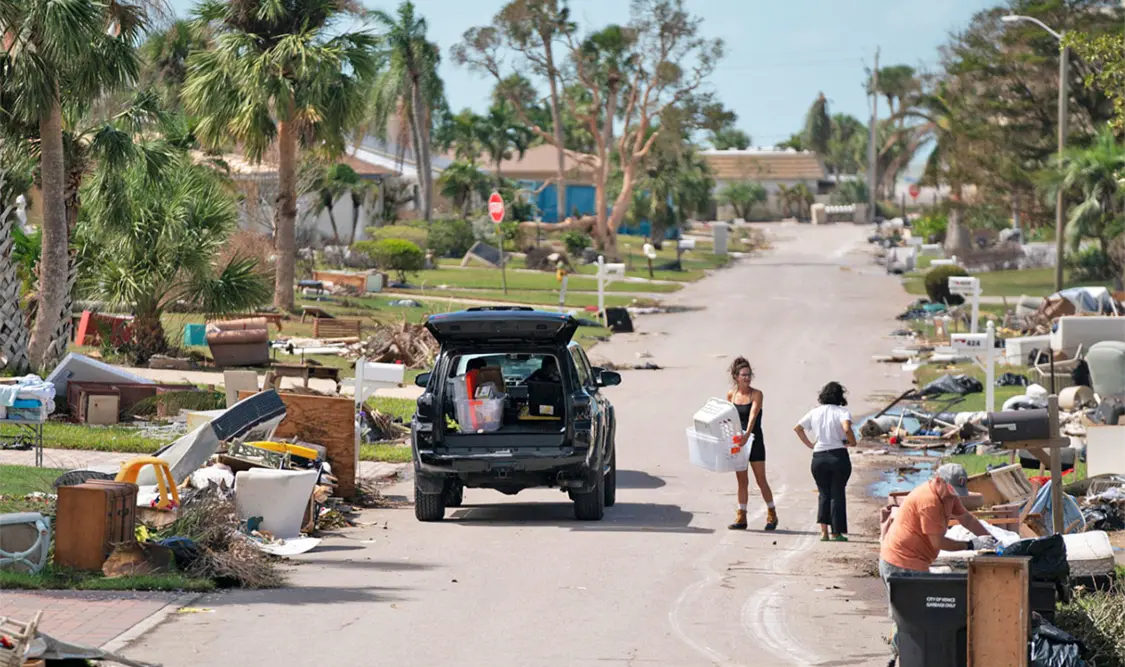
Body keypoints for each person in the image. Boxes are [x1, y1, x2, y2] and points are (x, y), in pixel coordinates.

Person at [877, 464, 997, 666]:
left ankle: (900, 656)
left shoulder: (948, 496)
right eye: (951, 490)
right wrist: (971, 544)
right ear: (938, 480)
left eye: (956, 492)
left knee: (913, 615)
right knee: (909, 617)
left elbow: (966, 518)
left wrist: (989, 538)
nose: (953, 495)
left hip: (916, 561)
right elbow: (938, 543)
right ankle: (900, 657)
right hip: (900, 563)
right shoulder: (929, 501)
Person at [794, 381, 856, 541]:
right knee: (837, 493)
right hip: (838, 456)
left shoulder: (815, 412)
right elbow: (847, 428)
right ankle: (837, 532)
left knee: (823, 494)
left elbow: (798, 428)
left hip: (819, 457)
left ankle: (824, 532)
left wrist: (810, 444)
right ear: (840, 396)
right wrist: (852, 441)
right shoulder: (842, 412)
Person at [726, 357, 777, 531]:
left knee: (761, 479)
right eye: (743, 375)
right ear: (736, 377)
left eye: (749, 375)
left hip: (754, 441)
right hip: (738, 443)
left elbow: (753, 415)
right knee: (742, 481)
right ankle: (741, 516)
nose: (747, 378)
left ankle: (771, 513)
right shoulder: (731, 395)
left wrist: (747, 434)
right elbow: (728, 418)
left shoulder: (756, 394)